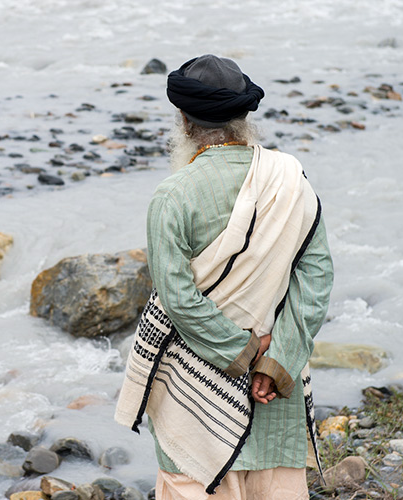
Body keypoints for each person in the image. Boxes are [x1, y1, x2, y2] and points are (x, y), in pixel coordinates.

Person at [116, 55, 333, 499]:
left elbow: (178, 300)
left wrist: (241, 351)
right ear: (243, 116)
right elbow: (316, 276)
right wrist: (276, 361)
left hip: (195, 382)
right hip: (275, 386)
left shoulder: (172, 196)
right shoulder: (290, 178)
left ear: (183, 119)